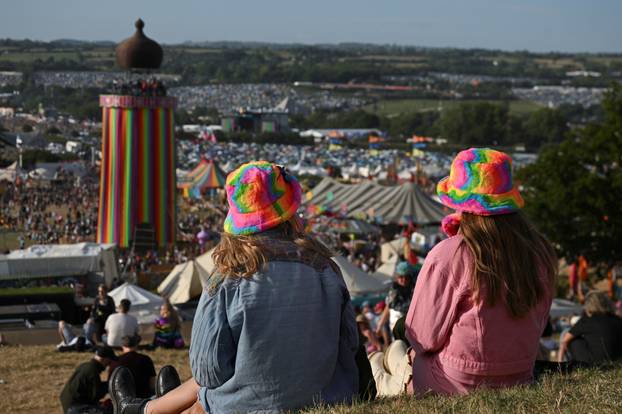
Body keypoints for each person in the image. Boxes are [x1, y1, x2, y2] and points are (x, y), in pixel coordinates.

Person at [110, 161, 359, 413]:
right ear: (290, 212)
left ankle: (142, 409)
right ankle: (147, 408)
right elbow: (350, 342)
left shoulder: (228, 277)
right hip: (327, 396)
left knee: (205, 401)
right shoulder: (326, 268)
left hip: (248, 405)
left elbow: (208, 370)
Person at [372, 148, 558, 396]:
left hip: (455, 381)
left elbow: (423, 339)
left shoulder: (451, 254)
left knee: (379, 360)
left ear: (462, 206)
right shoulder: (541, 252)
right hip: (519, 374)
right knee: (395, 351)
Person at [558, 291, 622, 365]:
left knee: (567, 335)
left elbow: (565, 340)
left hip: (595, 363)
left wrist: (559, 361)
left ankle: (566, 365)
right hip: (618, 360)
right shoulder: (618, 319)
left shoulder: (587, 320)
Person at [60, 345, 117, 414]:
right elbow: (95, 395)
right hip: (74, 407)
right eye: (109, 361)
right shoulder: (92, 371)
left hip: (70, 403)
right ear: (104, 359)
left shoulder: (86, 365)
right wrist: (111, 385)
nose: (109, 364)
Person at [375, 261, 417, 335]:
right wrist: (379, 326)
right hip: (395, 325)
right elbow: (388, 308)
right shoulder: (393, 291)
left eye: (406, 277)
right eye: (401, 277)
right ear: (397, 277)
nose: (403, 280)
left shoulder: (415, 290)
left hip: (411, 326)